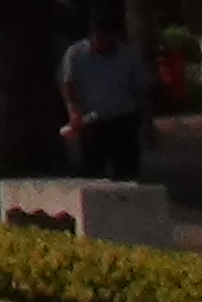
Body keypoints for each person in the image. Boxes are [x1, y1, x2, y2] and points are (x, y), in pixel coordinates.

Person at [58, 10, 151, 181]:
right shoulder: (76, 54)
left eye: (105, 39)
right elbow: (68, 84)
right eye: (97, 38)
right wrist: (73, 110)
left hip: (123, 117)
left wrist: (143, 118)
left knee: (126, 169)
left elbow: (140, 88)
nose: (100, 43)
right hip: (91, 120)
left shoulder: (128, 56)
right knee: (93, 170)